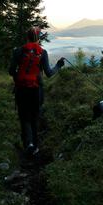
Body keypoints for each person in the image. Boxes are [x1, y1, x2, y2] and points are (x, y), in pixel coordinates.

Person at [9, 26, 64, 156]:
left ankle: (28, 144)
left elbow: (11, 71)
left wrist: (18, 79)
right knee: (34, 117)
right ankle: (35, 147)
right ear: (38, 38)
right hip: (36, 90)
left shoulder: (18, 51)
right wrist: (59, 65)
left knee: (24, 118)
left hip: (21, 89)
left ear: (27, 37)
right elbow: (49, 73)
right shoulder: (42, 52)